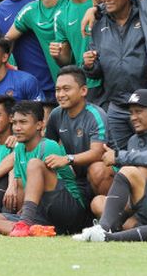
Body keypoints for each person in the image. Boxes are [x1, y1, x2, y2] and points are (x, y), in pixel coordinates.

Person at [0, 101, 86, 237]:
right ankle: (33, 231)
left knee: (34, 164)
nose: (17, 128)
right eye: (15, 123)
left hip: (68, 209)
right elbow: (22, 186)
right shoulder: (19, 149)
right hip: (42, 213)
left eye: (23, 122)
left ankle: (24, 225)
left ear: (39, 125)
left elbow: (47, 185)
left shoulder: (48, 146)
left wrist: (26, 215)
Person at [83, 0, 147, 150]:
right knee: (117, 159)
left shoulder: (145, 14)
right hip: (116, 106)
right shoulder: (98, 22)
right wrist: (89, 65)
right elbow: (97, 70)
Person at [88, 89, 147, 218]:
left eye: (138, 112)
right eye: (131, 113)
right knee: (97, 202)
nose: (133, 118)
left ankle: (109, 224)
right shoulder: (133, 140)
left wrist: (119, 156)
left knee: (141, 171)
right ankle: (120, 226)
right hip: (139, 205)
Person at [6, 0, 69, 96]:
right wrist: (0, 70)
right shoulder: (30, 11)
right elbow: (6, 40)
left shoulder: (70, 2)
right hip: (60, 86)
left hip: (88, 78)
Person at [45, 66, 108, 198]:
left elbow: (98, 153)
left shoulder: (96, 115)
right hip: (74, 177)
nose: (61, 95)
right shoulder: (56, 114)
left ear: (83, 90)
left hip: (101, 175)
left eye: (66, 89)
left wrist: (67, 159)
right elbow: (46, 145)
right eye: (57, 90)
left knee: (97, 170)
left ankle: (109, 214)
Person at [51, 0, 102, 98]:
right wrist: (57, 55)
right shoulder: (61, 15)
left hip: (112, 78)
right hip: (86, 83)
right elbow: (66, 60)